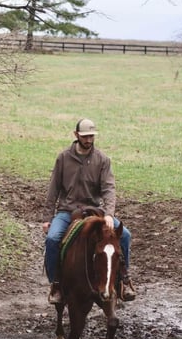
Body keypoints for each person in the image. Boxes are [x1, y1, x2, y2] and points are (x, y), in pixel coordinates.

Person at [41, 118, 136, 304]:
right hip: (67, 211)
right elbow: (53, 189)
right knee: (52, 239)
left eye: (91, 136)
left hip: (95, 211)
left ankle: (124, 280)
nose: (89, 140)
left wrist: (109, 214)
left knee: (125, 236)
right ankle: (56, 284)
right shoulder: (63, 158)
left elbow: (109, 189)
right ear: (76, 135)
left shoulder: (102, 160)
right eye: (85, 137)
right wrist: (47, 218)